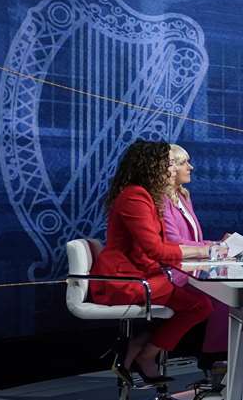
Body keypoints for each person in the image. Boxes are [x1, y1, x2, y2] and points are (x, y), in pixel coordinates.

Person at [89, 139, 215, 383]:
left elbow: (156, 248)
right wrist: (202, 252)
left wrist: (203, 250)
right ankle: (144, 353)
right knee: (200, 305)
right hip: (125, 279)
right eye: (167, 164)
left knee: (201, 305)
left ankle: (139, 347)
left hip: (143, 274)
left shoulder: (144, 195)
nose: (171, 169)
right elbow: (155, 249)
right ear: (152, 166)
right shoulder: (134, 197)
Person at [157, 143, 234, 371]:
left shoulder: (183, 196)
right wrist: (215, 246)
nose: (190, 167)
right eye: (183, 163)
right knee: (224, 294)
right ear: (168, 168)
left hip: (188, 267)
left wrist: (219, 244)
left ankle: (222, 358)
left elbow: (191, 240)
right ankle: (215, 360)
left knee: (226, 289)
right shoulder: (162, 199)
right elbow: (175, 243)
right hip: (171, 272)